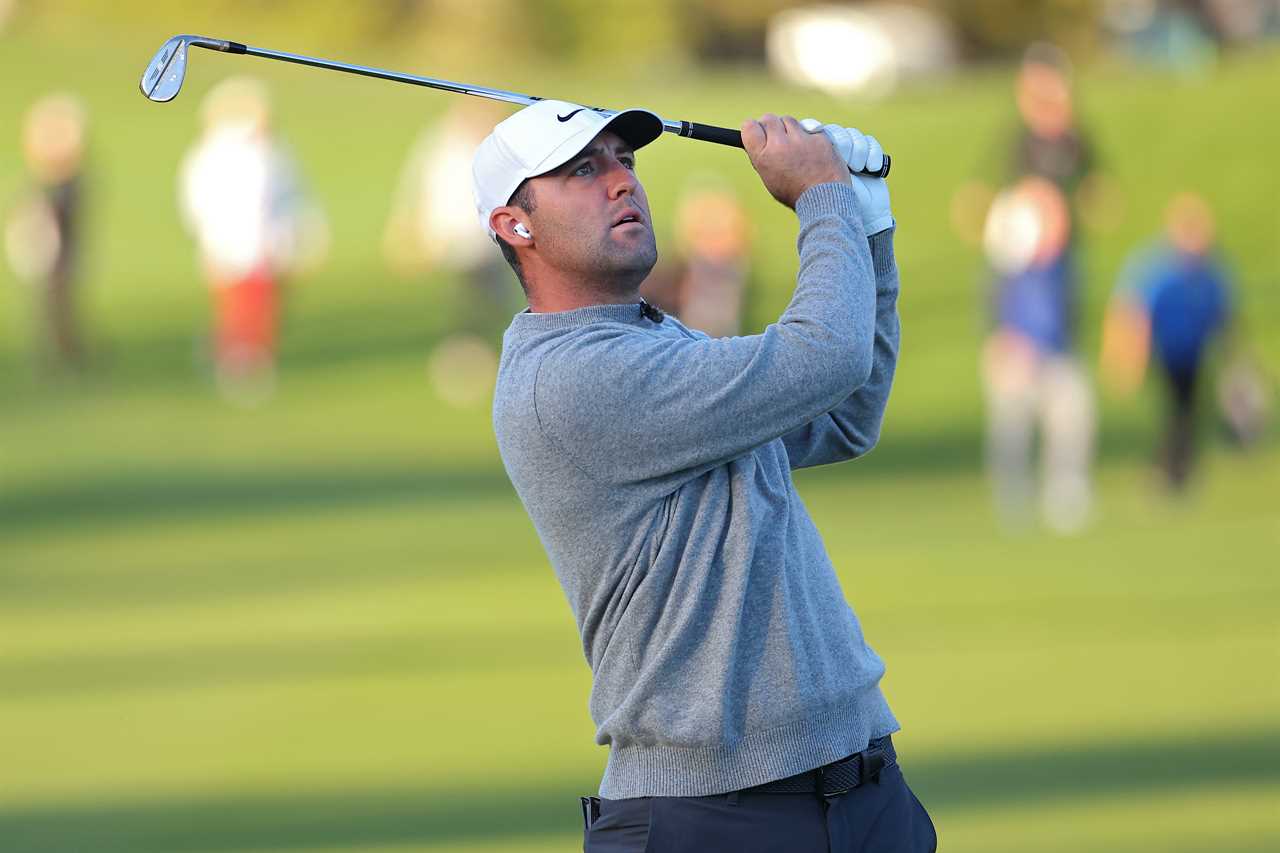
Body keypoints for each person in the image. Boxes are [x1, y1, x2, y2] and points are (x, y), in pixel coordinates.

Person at [474, 101, 933, 851]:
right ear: (514, 225)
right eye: (583, 169)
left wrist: (869, 225)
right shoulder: (567, 377)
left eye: (625, 160)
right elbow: (825, 355)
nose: (621, 182)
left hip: (862, 790)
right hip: (717, 816)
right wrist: (822, 196)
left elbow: (842, 413)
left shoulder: (655, 339)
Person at [178, 76, 326, 402]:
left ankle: (250, 360)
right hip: (229, 242)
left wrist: (302, 235)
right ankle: (235, 362)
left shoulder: (274, 153)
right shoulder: (220, 153)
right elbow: (201, 202)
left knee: (261, 307)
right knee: (236, 306)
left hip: (266, 243)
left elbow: (293, 198)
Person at [980, 176, 1095, 532]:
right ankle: (1012, 498)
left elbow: (1070, 311)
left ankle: (1066, 494)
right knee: (1011, 429)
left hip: (1057, 352)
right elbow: (995, 306)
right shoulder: (1012, 259)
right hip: (1017, 354)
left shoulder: (1065, 263)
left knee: (1073, 421)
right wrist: (1004, 340)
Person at [1101, 192, 1234, 490]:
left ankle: (1179, 469)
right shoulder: (1158, 267)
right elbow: (1133, 311)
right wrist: (1127, 356)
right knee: (1175, 411)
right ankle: (1167, 469)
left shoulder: (1209, 268)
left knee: (1189, 410)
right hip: (1165, 351)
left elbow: (1222, 312)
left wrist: (1230, 354)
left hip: (1193, 352)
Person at [4, 94, 90, 372]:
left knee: (60, 300)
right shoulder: (48, 186)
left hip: (63, 252)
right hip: (51, 253)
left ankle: (64, 349)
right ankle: (57, 352)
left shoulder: (67, 185)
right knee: (52, 301)